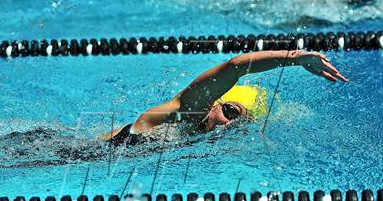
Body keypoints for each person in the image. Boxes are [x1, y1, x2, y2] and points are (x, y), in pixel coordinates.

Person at [102, 50, 347, 146]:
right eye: (230, 111)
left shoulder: (205, 140)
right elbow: (235, 66)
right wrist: (293, 58)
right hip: (93, 150)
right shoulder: (188, 111)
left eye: (238, 121)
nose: (228, 123)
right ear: (216, 103)